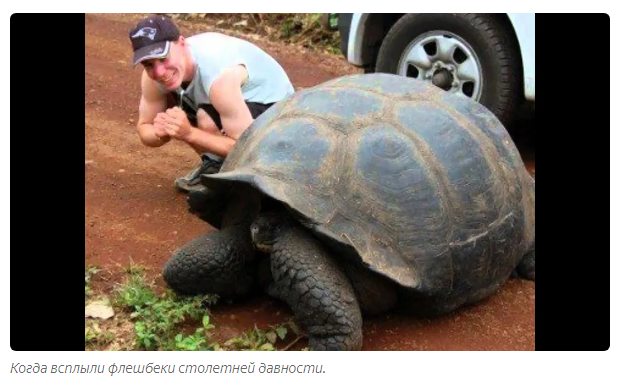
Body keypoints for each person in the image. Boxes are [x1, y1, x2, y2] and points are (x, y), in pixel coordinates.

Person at [128, 15, 295, 194]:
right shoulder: (153, 78)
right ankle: (214, 167)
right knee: (175, 106)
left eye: (163, 58)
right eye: (149, 64)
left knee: (205, 117)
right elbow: (145, 126)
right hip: (236, 109)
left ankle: (240, 179)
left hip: (281, 116)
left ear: (182, 44)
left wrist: (189, 133)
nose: (159, 72)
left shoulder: (219, 78)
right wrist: (161, 133)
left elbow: (246, 146)